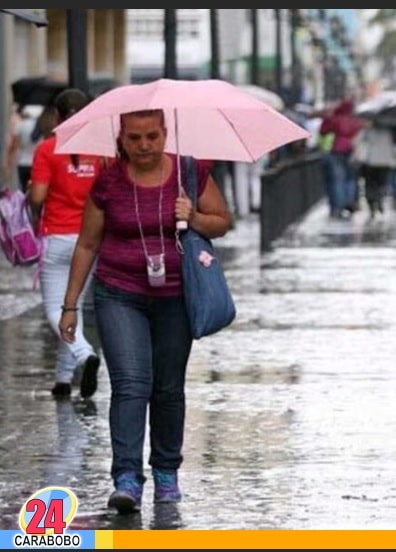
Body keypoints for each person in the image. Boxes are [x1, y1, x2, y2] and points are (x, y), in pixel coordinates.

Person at [58, 109, 232, 514]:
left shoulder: (190, 173)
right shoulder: (108, 182)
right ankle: (127, 479)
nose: (144, 146)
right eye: (134, 138)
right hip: (119, 293)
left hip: (176, 296)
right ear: (122, 138)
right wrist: (70, 305)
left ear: (165, 133)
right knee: (131, 384)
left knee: (168, 387)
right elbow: (87, 244)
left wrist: (195, 217)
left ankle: (167, 473)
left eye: (152, 136)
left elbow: (223, 222)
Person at [28, 89, 104, 399]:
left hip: (57, 237)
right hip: (91, 240)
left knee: (55, 307)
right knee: (73, 306)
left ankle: (84, 355)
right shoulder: (103, 153)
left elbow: (37, 198)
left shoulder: (47, 149)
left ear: (57, 117)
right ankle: (62, 379)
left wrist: (33, 187)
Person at [4, 104, 41, 192]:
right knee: (35, 189)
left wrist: (8, 163)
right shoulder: (42, 127)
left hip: (22, 162)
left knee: (23, 188)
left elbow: (14, 146)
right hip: (37, 163)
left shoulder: (20, 125)